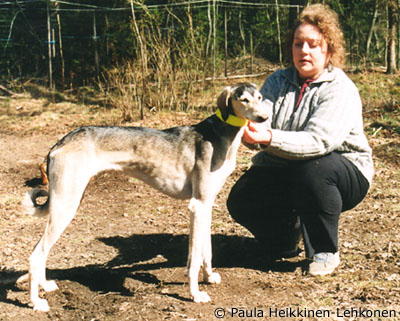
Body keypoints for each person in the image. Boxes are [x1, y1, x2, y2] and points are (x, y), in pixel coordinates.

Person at [227, 4, 373, 276]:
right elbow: (261, 120)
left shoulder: (340, 89)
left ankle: (324, 250)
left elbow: (319, 142)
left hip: (342, 173)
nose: (304, 50)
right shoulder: (277, 81)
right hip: (289, 168)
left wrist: (268, 137)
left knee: (314, 169)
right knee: (242, 198)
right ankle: (283, 241)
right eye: (298, 44)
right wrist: (250, 134)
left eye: (313, 44)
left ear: (329, 49)